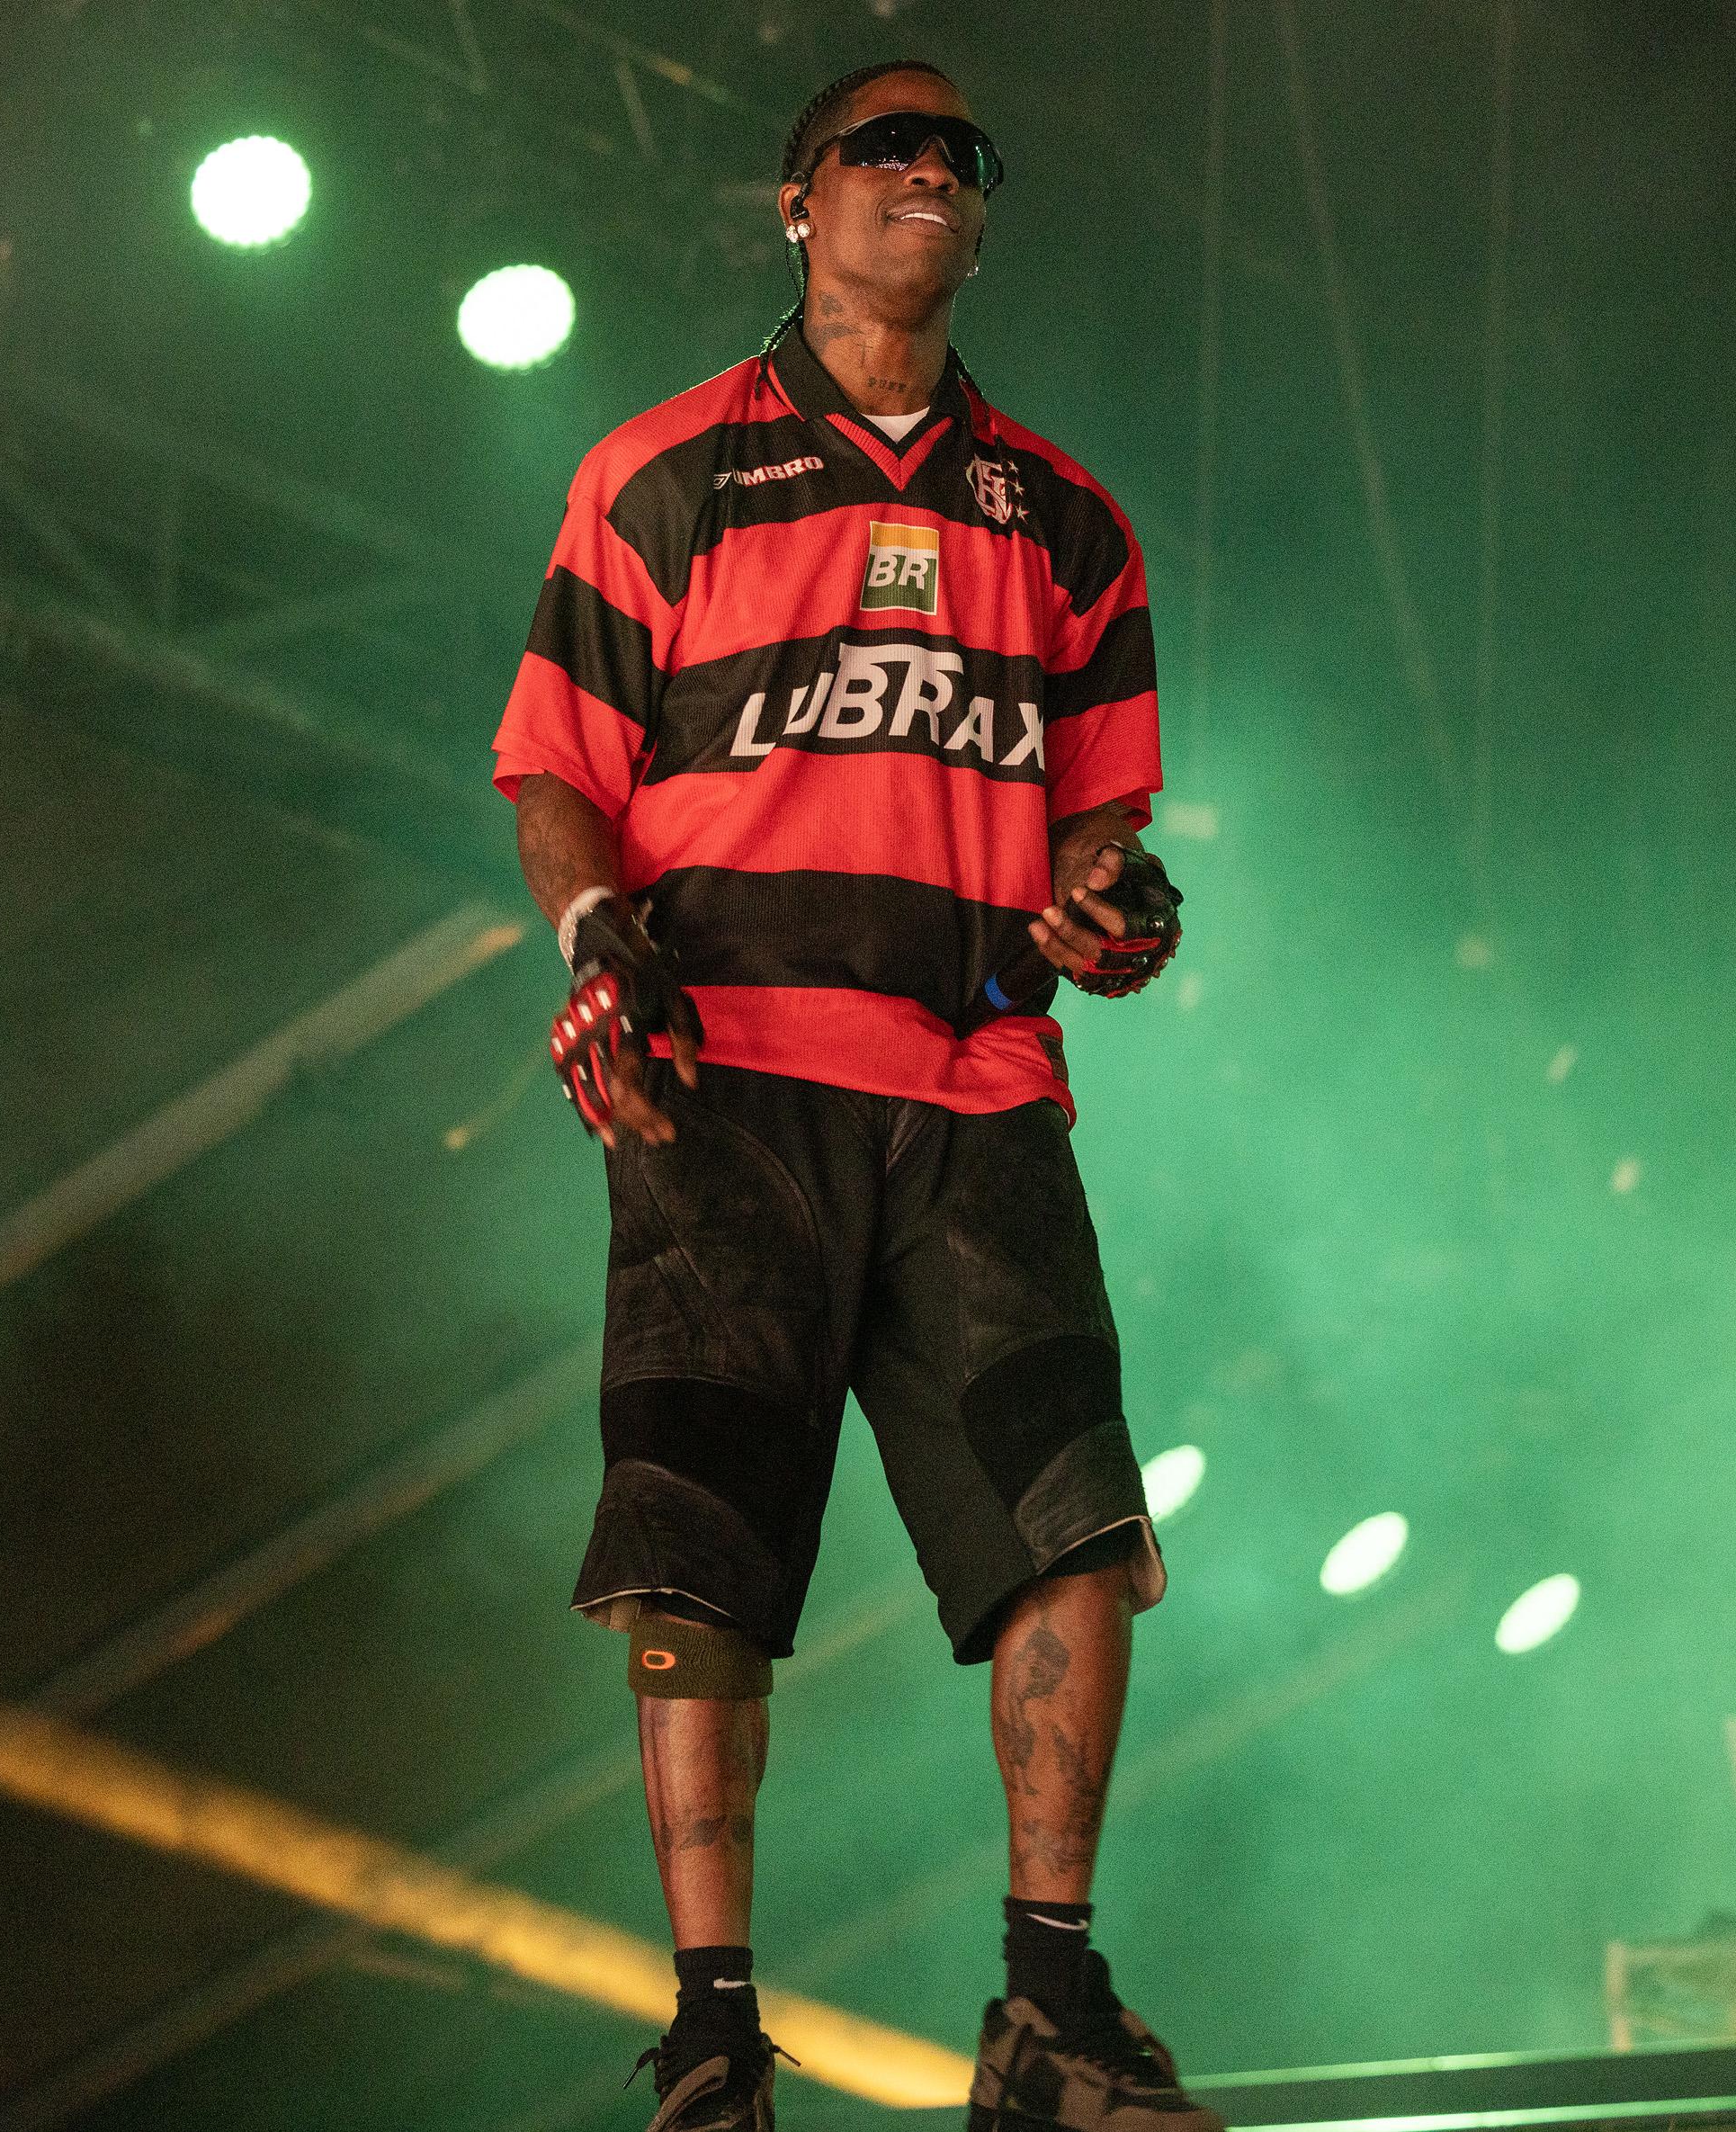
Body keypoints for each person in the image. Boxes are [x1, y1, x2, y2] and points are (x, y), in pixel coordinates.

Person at [488, 57, 1221, 2132]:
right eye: (882, 149)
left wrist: (1113, 908)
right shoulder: (664, 472)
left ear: (982, 220)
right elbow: (555, 758)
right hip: (730, 1083)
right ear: (793, 205)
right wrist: (593, 934)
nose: (925, 173)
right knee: (694, 1547)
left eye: (959, 155)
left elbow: (1100, 835)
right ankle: (714, 2032)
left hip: (978, 1085)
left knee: (1077, 1524)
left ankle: (1051, 2006)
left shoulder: (1065, 518)